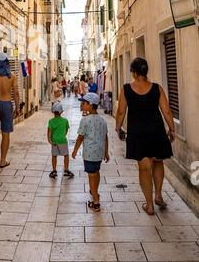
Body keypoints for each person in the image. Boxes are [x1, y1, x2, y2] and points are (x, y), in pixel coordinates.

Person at [115, 57, 175, 216]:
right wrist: (172, 128)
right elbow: (167, 110)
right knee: (157, 161)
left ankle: (149, 205)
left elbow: (121, 111)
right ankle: (158, 195)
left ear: (133, 73)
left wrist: (118, 127)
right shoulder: (157, 88)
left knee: (144, 167)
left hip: (137, 134)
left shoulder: (126, 89)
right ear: (145, 71)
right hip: (156, 131)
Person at [72, 93, 109, 212]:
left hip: (89, 154)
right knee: (96, 172)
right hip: (99, 153)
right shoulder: (102, 120)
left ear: (90, 105)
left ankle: (96, 202)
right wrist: (106, 152)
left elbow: (80, 137)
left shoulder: (85, 120)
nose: (82, 105)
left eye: (84, 103)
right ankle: (95, 192)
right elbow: (105, 137)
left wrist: (75, 150)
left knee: (91, 176)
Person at [47, 102, 74, 179]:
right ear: (61, 112)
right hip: (62, 140)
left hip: (54, 140)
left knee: (54, 156)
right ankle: (66, 169)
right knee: (66, 155)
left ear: (52, 111)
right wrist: (62, 136)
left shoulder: (51, 121)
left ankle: (54, 170)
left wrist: (50, 141)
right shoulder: (65, 120)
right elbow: (66, 131)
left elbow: (49, 132)